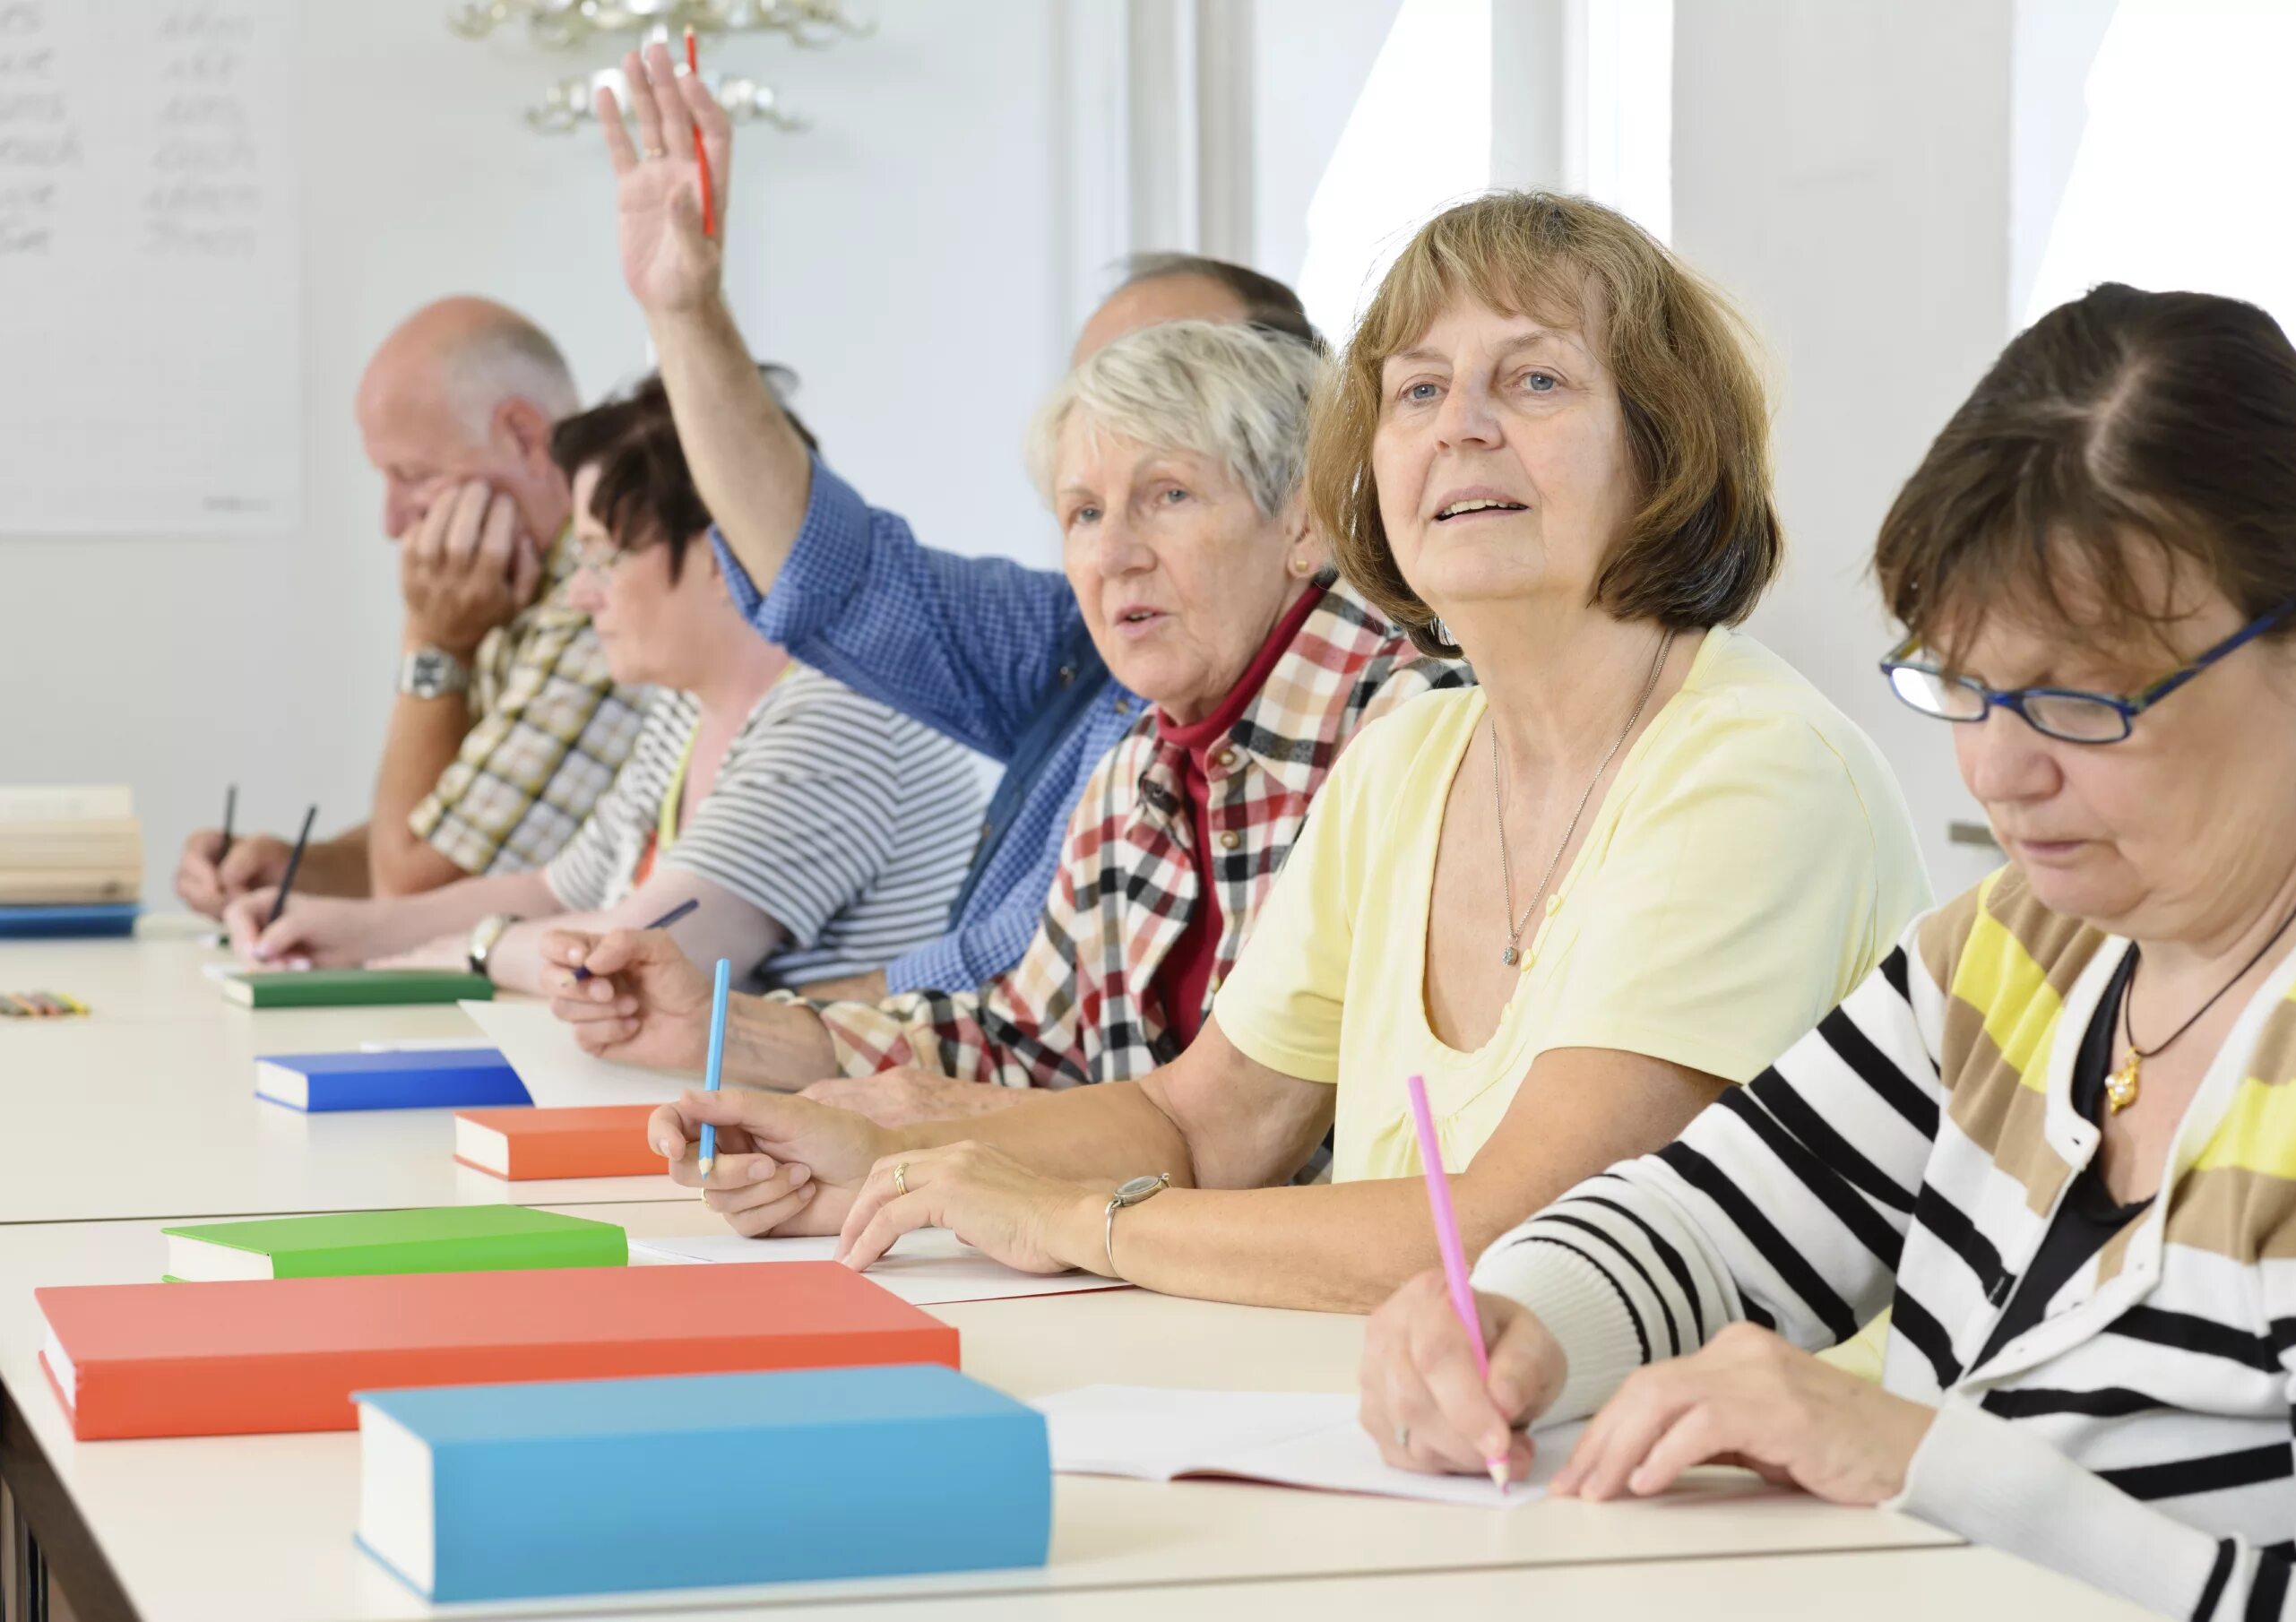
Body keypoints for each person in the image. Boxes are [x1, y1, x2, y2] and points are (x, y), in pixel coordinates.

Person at [607, 193, 1931, 1316]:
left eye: (1530, 379)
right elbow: (1201, 1120)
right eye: (1416, 389)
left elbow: (1515, 1237)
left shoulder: (1747, 766)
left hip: (1727, 1509)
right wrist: (877, 1150)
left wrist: (1079, 1217)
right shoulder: (1415, 753)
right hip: (1447, 1441)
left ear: (1664, 450)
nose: (1458, 424)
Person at [1358, 285, 2296, 1618]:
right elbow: (1709, 1222)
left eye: (2078, 703)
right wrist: (1519, 1321)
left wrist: (1927, 1464)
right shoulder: (2028, 948)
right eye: (1962, 684)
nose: (1997, 770)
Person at [548, 315, 1465, 1120]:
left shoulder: (1414, 733)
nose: (1113, 556)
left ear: (1304, 526)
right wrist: (718, 1027)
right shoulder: (1138, 759)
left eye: (1169, 495)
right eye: (1083, 513)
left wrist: (940, 1151)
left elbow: (1253, 1142)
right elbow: (1021, 1045)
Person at [592, 42, 1321, 999]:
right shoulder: (1080, 636)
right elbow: (833, 575)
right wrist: (682, 313)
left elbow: (1043, 1017)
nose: (1116, 540)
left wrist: (784, 1027)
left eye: (1175, 392)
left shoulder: (1365, 705)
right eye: (1094, 404)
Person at [225, 375, 980, 996]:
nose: (582, 594)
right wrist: (344, 928)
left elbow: (631, 964)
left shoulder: (837, 716)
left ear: (724, 553)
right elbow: (558, 893)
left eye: (603, 558)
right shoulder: (691, 705)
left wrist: (478, 948)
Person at [175, 298, 647, 910]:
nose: (393, 522)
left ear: (525, 437)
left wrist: (432, 642)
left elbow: (416, 894)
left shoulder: (604, 602)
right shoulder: (519, 586)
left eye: (414, 475)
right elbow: (463, 833)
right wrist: (290, 870)